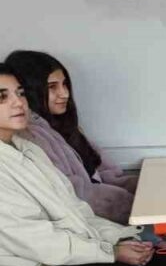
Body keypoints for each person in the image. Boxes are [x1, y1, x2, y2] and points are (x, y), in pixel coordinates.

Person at [0, 65, 166, 266]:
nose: (18, 102)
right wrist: (110, 252)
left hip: (63, 255)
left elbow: (75, 210)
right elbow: (36, 240)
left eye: (20, 93)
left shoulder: (29, 148)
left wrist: (123, 238)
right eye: (2, 97)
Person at [4, 51, 138, 224]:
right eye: (52, 87)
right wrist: (135, 205)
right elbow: (75, 195)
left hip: (109, 219)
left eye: (64, 84)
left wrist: (145, 189)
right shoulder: (32, 138)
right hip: (95, 223)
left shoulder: (64, 126)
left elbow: (106, 173)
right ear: (31, 90)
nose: (64, 94)